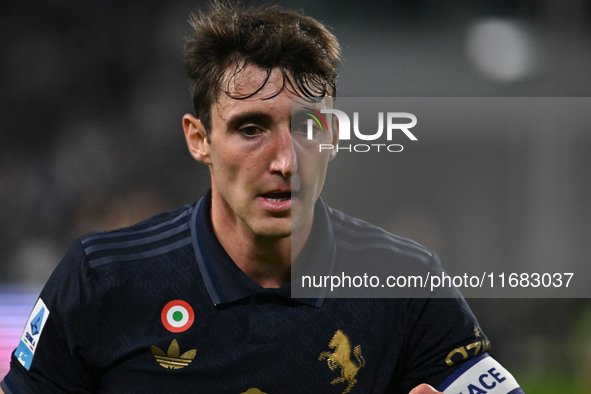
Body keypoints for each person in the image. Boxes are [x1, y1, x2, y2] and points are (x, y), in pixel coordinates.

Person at [1, 2, 523, 393]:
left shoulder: (405, 283)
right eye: (251, 129)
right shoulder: (101, 280)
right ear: (198, 138)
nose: (285, 161)